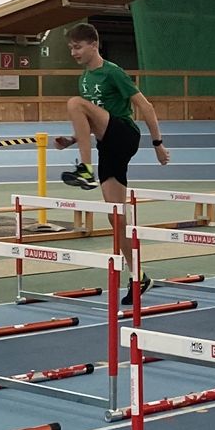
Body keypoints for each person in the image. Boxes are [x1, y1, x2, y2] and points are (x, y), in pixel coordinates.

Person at [56, 23, 170, 301]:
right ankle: (139, 275)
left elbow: (146, 107)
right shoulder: (84, 79)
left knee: (74, 103)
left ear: (94, 45)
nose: (74, 53)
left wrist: (157, 144)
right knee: (116, 217)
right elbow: (91, 123)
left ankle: (85, 169)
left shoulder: (112, 72)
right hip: (108, 144)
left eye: (78, 47)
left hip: (124, 132)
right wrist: (72, 139)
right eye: (70, 48)